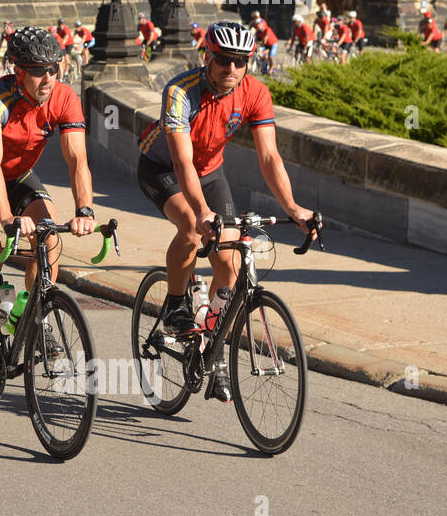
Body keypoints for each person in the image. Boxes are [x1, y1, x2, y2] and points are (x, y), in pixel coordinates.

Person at [135, 21, 316, 402]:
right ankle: (175, 304)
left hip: (211, 172)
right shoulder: (180, 92)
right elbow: (183, 162)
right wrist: (202, 212)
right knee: (188, 223)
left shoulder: (255, 93)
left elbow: (269, 157)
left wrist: (294, 208)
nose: (231, 69)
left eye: (240, 61)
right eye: (223, 60)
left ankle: (213, 351)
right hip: (163, 168)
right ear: (207, 57)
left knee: (230, 265)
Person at [0, 27, 96, 390]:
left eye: (53, 69)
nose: (47, 77)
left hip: (19, 175)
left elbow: (77, 158)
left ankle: (29, 317)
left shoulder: (64, 97)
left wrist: (85, 210)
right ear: (18, 71)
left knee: (49, 241)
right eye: (37, 70)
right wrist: (6, 219)